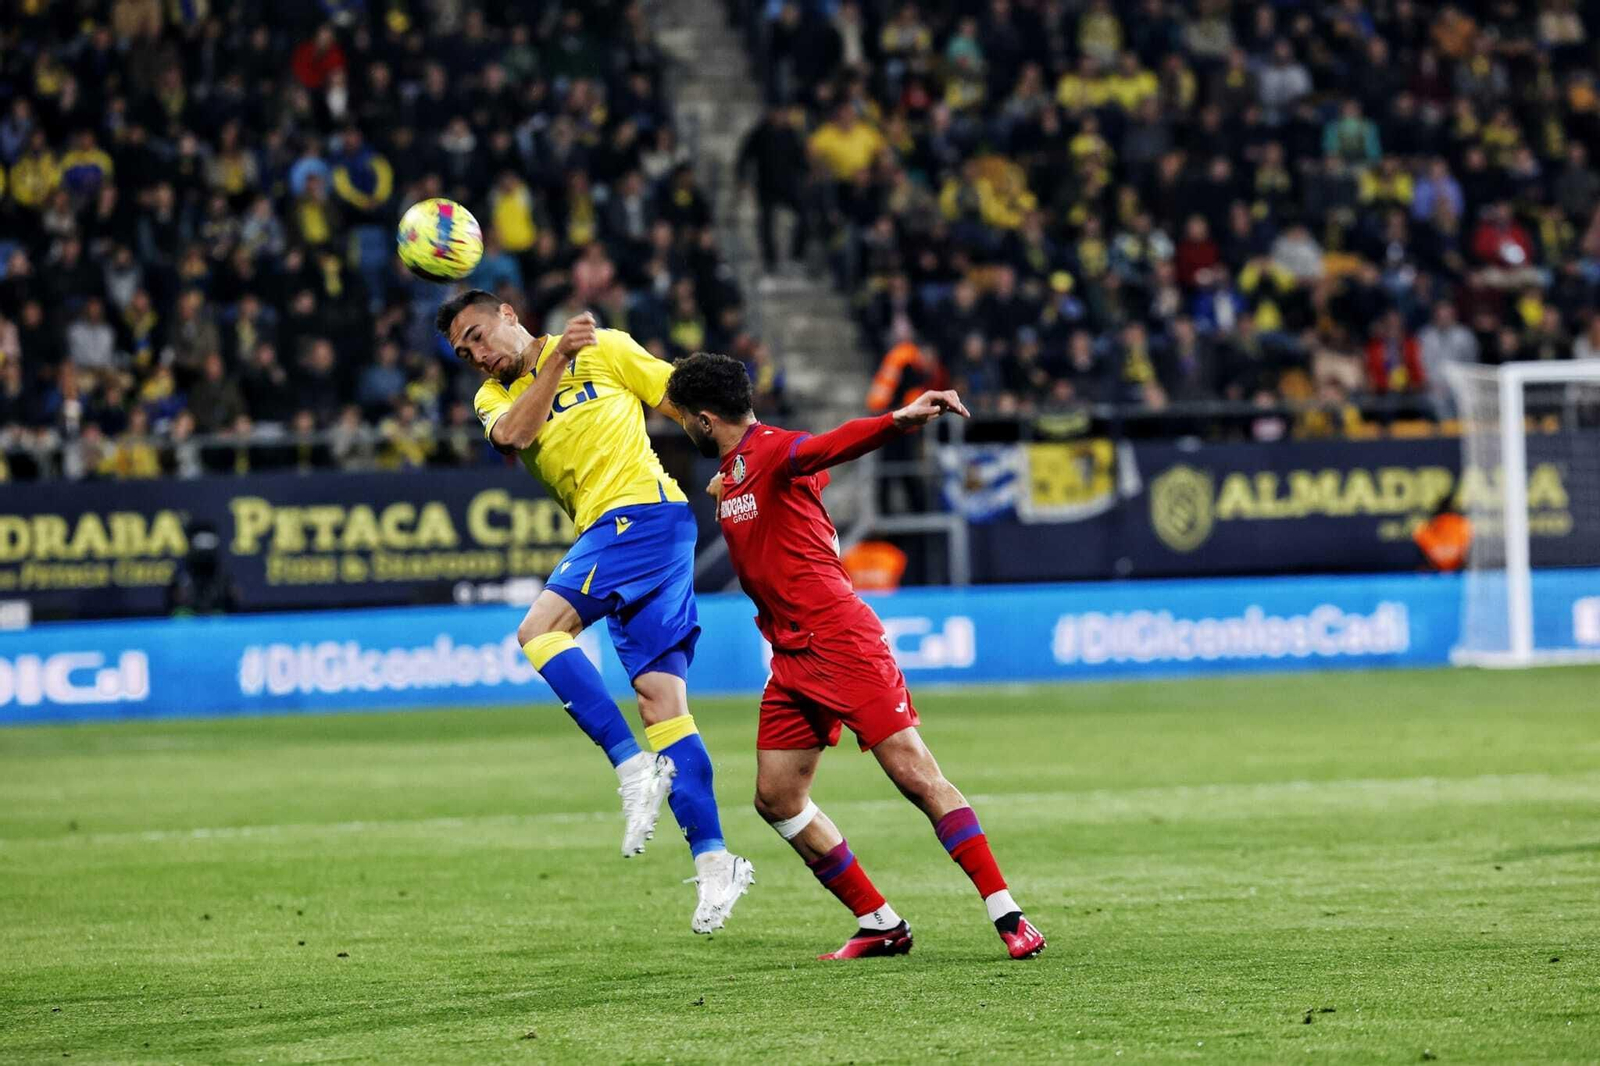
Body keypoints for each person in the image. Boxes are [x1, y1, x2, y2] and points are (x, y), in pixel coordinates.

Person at [665, 351, 1046, 961]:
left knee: (916, 776)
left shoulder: (775, 450)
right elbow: (785, 487)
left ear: (706, 420)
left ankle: (1009, 916)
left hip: (841, 639)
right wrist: (726, 481)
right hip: (790, 654)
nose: (681, 427)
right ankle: (880, 924)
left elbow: (827, 448)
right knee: (777, 798)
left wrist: (901, 418)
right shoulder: (738, 471)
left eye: (684, 418)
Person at [435, 291, 751, 934]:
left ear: (508, 314)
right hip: (624, 530)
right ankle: (718, 863)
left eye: (476, 334)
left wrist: (738, 466)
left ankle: (632, 768)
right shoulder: (493, 399)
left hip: (643, 515)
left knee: (538, 630)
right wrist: (558, 359)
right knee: (663, 702)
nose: (474, 353)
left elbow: (691, 405)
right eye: (462, 350)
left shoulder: (605, 348)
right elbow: (516, 435)